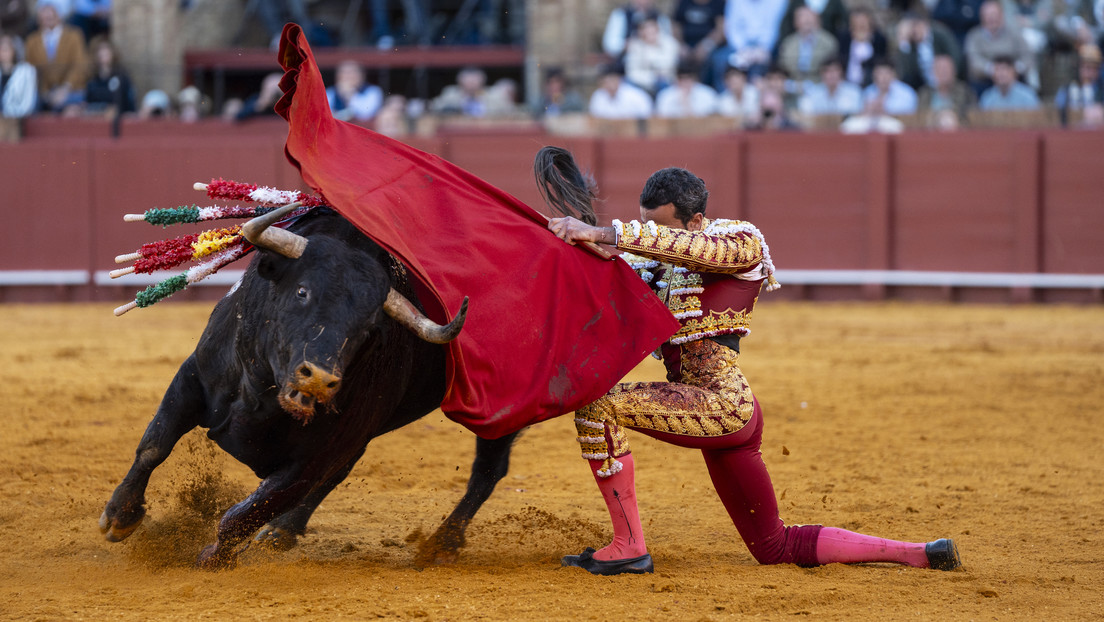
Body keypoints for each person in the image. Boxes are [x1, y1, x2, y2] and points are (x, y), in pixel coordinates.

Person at [546, 167, 962, 576]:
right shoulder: (653, 264)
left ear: (694, 221)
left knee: (599, 405)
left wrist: (605, 234)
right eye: (645, 225)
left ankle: (629, 547)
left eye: (662, 227)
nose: (653, 236)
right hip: (713, 408)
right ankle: (921, 553)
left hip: (723, 405)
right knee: (774, 547)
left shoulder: (740, 241)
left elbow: (691, 251)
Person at [24, 0, 87, 113]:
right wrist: (46, 93)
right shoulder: (32, 41)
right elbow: (30, 70)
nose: (48, 16)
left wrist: (65, 88)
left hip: (71, 91)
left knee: (72, 110)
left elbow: (79, 65)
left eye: (51, 13)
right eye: (44, 13)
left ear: (59, 15)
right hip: (43, 94)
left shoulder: (74, 36)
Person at [709, 0, 789, 88]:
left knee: (770, 62)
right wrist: (742, 49)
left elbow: (773, 28)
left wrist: (762, 48)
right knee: (720, 59)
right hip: (739, 46)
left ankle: (762, 97)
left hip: (767, 46)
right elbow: (732, 28)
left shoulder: (778, 2)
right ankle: (725, 98)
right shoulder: (734, 1)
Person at [964, 0, 1034, 94]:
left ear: (1002, 15)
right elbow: (974, 61)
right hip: (986, 81)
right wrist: (993, 70)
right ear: (982, 17)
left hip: (1015, 80)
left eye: (994, 14)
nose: (991, 18)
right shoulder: (974, 36)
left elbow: (1028, 56)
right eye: (988, 15)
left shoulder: (1014, 33)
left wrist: (1014, 69)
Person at [894, 11, 963, 91]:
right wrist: (904, 43)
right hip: (923, 86)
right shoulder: (910, 44)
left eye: (915, 26)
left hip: (946, 78)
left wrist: (947, 75)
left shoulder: (939, 34)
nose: (913, 31)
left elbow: (955, 55)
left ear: (923, 24)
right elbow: (907, 72)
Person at [777, 5, 840, 85]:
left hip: (820, 85)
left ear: (818, 20)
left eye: (810, 17)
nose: (806, 20)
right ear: (795, 22)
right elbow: (782, 69)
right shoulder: (788, 44)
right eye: (802, 17)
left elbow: (833, 68)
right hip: (793, 84)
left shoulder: (829, 42)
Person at [624, 15, 681, 95]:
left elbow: (669, 65)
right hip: (641, 84)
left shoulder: (670, 43)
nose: (649, 32)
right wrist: (652, 77)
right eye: (645, 29)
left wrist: (652, 68)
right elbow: (631, 73)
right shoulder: (634, 46)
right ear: (640, 31)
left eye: (652, 29)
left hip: (666, 82)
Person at [80, 35, 133, 116]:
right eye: (100, 50)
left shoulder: (121, 75)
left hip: (118, 117)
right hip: (95, 115)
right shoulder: (92, 78)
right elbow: (87, 102)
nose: (103, 52)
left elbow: (127, 102)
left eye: (106, 48)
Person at [602, 0, 673, 59]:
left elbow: (668, 44)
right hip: (626, 63)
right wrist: (625, 45)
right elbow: (610, 45)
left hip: (655, 63)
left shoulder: (661, 17)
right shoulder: (621, 14)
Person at [918, 53, 976, 122]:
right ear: (933, 72)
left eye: (947, 69)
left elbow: (973, 116)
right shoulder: (924, 94)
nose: (944, 72)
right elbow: (920, 118)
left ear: (954, 71)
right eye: (940, 69)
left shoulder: (965, 92)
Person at [1055, 43, 1104, 123]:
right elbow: (1057, 114)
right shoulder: (1066, 91)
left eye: (1094, 69)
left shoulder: (1101, 92)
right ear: (1079, 68)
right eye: (1086, 67)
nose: (1089, 73)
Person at [838, 7, 887, 87]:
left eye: (863, 22)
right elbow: (841, 60)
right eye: (856, 22)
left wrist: (866, 43)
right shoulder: (844, 39)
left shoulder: (879, 40)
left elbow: (880, 62)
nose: (860, 25)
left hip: (873, 85)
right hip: (847, 84)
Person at [588, 62, 654, 120]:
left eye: (612, 80)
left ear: (619, 79)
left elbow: (648, 119)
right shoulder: (598, 96)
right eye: (605, 82)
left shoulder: (636, 96)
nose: (609, 85)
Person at [0, 33, 37, 119]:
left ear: (15, 49)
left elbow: (27, 104)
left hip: (16, 120)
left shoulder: (26, 71)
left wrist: (6, 114)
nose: (2, 51)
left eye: (5, 48)